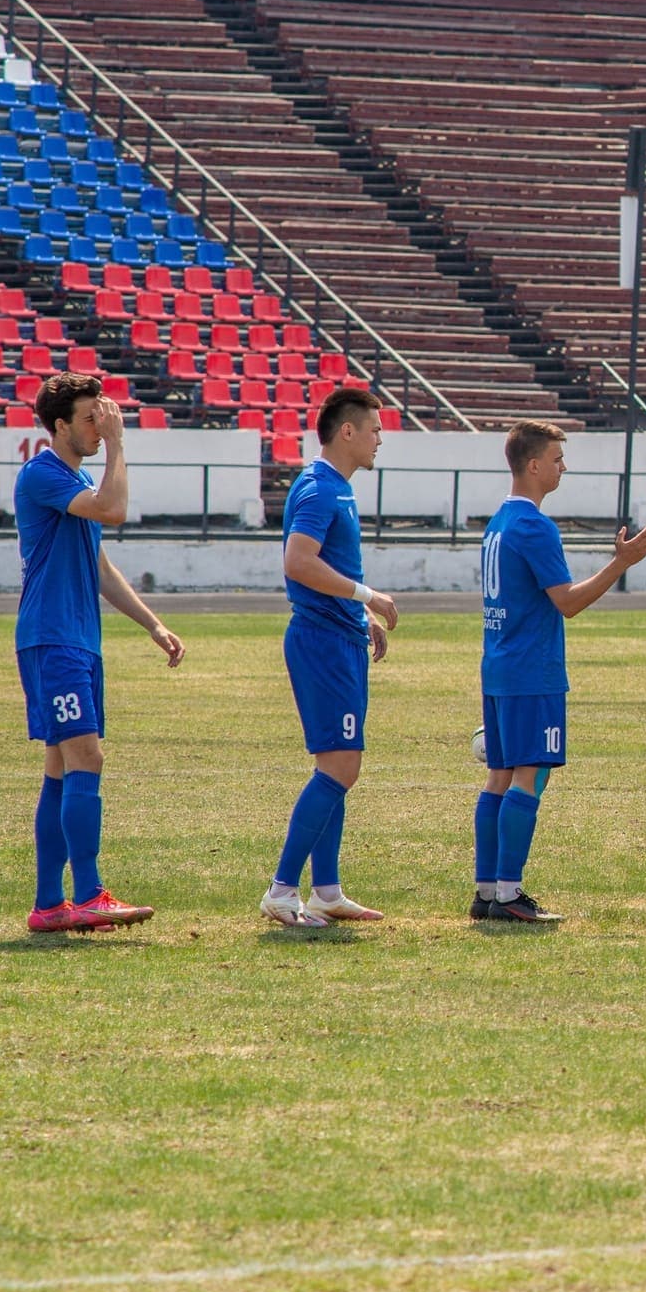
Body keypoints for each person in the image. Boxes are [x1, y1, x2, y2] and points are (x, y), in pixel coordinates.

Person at [16, 372, 184, 933]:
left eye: (102, 416)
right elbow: (114, 510)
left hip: (77, 640)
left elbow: (100, 563)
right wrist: (119, 443)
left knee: (61, 767)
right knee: (88, 759)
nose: (99, 424)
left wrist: (152, 625)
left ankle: (49, 904)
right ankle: (88, 894)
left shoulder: (74, 477)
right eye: (89, 417)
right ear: (59, 426)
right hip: (54, 638)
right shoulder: (42, 473)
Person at [473, 421, 646, 923]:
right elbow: (568, 602)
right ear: (533, 465)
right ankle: (509, 895)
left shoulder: (497, 523)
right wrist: (620, 564)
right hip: (532, 671)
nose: (563, 466)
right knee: (527, 777)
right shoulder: (534, 525)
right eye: (556, 458)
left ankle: (487, 889)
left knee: (500, 777)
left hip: (500, 667)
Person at [263, 386, 396, 929]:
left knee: (338, 765)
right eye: (374, 429)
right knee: (341, 767)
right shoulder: (320, 489)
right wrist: (369, 598)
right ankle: (280, 890)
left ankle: (327, 890)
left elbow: (323, 567)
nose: (379, 439)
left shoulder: (335, 488)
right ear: (347, 431)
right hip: (321, 644)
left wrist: (357, 616)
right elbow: (299, 562)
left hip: (340, 636)